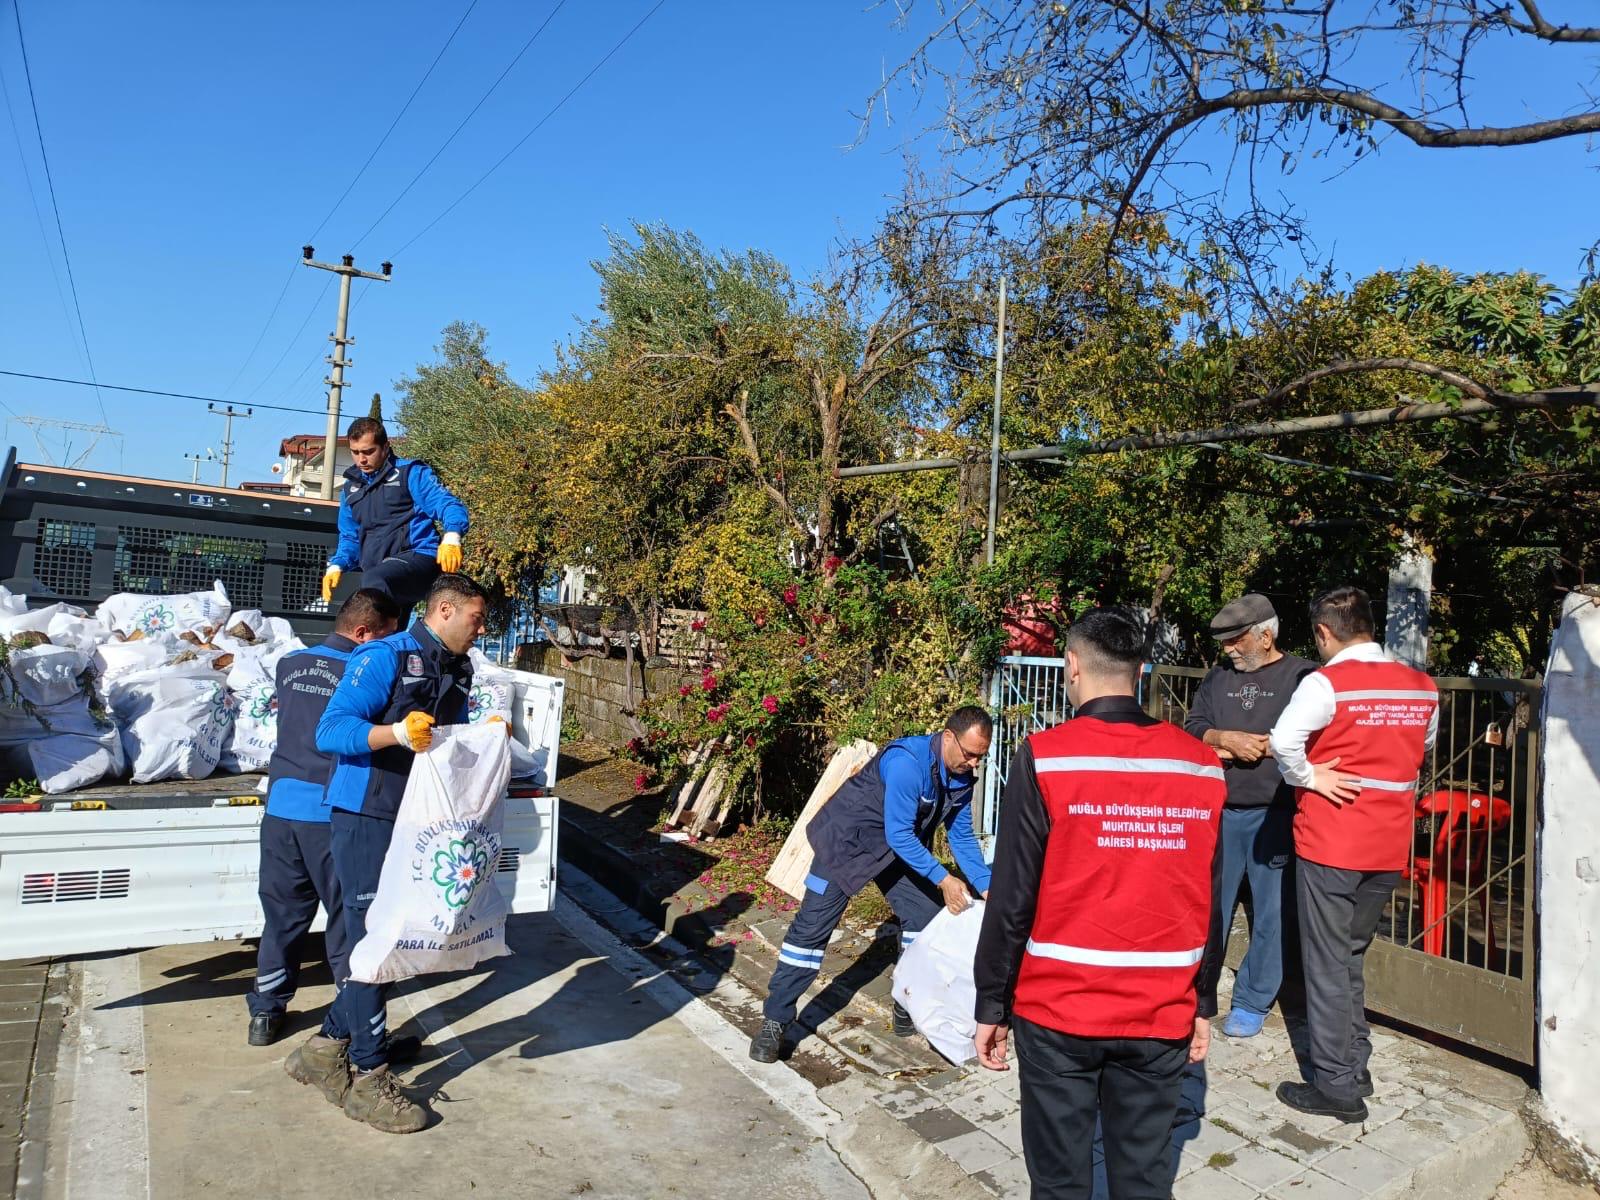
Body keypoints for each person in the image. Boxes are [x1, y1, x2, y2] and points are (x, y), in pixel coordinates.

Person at [974, 607, 1226, 1200]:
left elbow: (1012, 897)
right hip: (1160, 1008)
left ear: (1072, 666)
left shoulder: (1047, 756)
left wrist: (992, 1000)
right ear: (1140, 671)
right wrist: (1204, 999)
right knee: (1141, 1179)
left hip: (1059, 1009)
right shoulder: (1200, 764)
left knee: (1061, 1182)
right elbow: (1210, 897)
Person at [283, 573, 489, 1134]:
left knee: (404, 937)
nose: (481, 629)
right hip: (367, 814)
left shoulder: (460, 667)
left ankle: (325, 1048)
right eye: (476, 618)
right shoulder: (384, 658)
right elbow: (332, 731)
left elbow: (448, 739)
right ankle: (368, 1079)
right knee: (375, 940)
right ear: (444, 610)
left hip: (418, 820)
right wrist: (395, 732)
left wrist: (484, 738)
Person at [1269, 586, 1438, 1122]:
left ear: (1324, 632)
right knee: (1351, 955)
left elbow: (1282, 742)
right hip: (1389, 844)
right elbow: (1423, 746)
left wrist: (1311, 775)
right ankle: (1354, 1060)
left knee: (1324, 961)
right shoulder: (1421, 685)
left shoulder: (1326, 683)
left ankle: (1337, 1085)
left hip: (1332, 840)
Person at [748, 706, 995, 1064]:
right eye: (970, 754)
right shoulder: (907, 764)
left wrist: (985, 885)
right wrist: (943, 878)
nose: (974, 763)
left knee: (924, 917)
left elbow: (961, 836)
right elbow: (899, 833)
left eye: (981, 757)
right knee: (811, 932)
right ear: (947, 738)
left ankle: (906, 999)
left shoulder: (960, 777)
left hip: (895, 853)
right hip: (846, 844)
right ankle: (775, 1020)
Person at [247, 588, 401, 1046]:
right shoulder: (361, 672)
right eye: (385, 637)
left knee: (283, 919)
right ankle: (354, 1021)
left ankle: (266, 1013)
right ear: (363, 633)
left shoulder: (289, 665)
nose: (386, 648)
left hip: (279, 809)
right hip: (327, 812)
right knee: (346, 922)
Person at [1183, 593, 1316, 1038]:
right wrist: (1223, 738)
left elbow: (1316, 735)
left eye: (1236, 640)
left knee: (1271, 914)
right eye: (1224, 643)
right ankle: (1197, 995)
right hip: (1218, 811)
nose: (1228, 651)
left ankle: (1253, 1000)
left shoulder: (1303, 676)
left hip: (1277, 812)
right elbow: (1192, 726)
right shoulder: (1218, 677)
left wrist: (1264, 746)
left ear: (1265, 634)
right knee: (1208, 908)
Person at [320, 416, 470, 614]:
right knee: (374, 627)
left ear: (385, 447)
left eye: (368, 451)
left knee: (373, 589)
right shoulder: (350, 489)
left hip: (419, 559)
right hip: (383, 573)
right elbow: (350, 537)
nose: (361, 459)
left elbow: (448, 505)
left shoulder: (410, 473)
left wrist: (452, 537)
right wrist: (337, 565)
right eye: (355, 453)